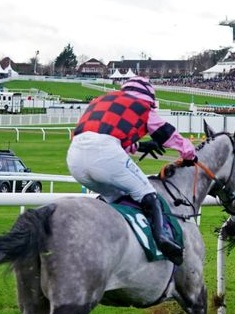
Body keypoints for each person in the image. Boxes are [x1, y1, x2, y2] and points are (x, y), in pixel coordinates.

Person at [67, 77, 197, 264]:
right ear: (148, 97)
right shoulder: (142, 105)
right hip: (105, 154)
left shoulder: (101, 100)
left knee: (116, 197)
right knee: (147, 193)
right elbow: (167, 134)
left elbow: (108, 135)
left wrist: (141, 146)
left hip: (75, 159)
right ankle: (162, 239)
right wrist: (189, 154)